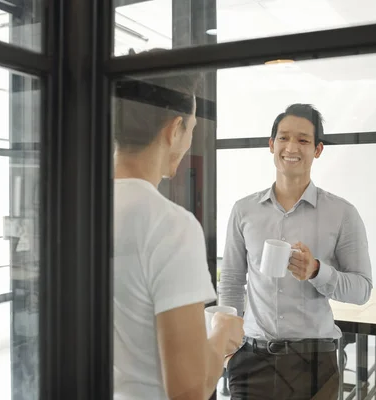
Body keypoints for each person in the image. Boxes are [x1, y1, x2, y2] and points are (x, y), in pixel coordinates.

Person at [218, 104, 373, 399]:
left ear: (317, 150)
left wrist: (316, 271)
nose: (291, 147)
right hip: (251, 360)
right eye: (283, 138)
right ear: (271, 144)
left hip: (315, 362)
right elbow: (232, 282)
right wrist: (230, 350)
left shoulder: (342, 213)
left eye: (303, 140)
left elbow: (362, 290)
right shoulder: (244, 210)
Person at [112, 64, 245, 400]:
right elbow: (187, 392)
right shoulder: (170, 225)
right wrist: (221, 336)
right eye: (191, 130)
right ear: (174, 130)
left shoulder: (80, 207)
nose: (189, 142)